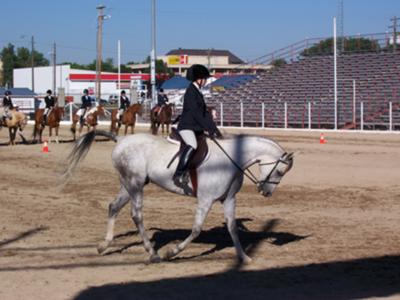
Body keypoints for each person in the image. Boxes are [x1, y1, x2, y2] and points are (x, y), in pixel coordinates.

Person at [173, 64, 222, 189]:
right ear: (199, 79)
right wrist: (209, 129)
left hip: (195, 126)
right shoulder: (191, 91)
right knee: (193, 145)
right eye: (205, 79)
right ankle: (178, 174)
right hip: (187, 126)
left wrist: (214, 129)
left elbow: (204, 113)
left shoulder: (197, 91)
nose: (205, 81)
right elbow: (196, 113)